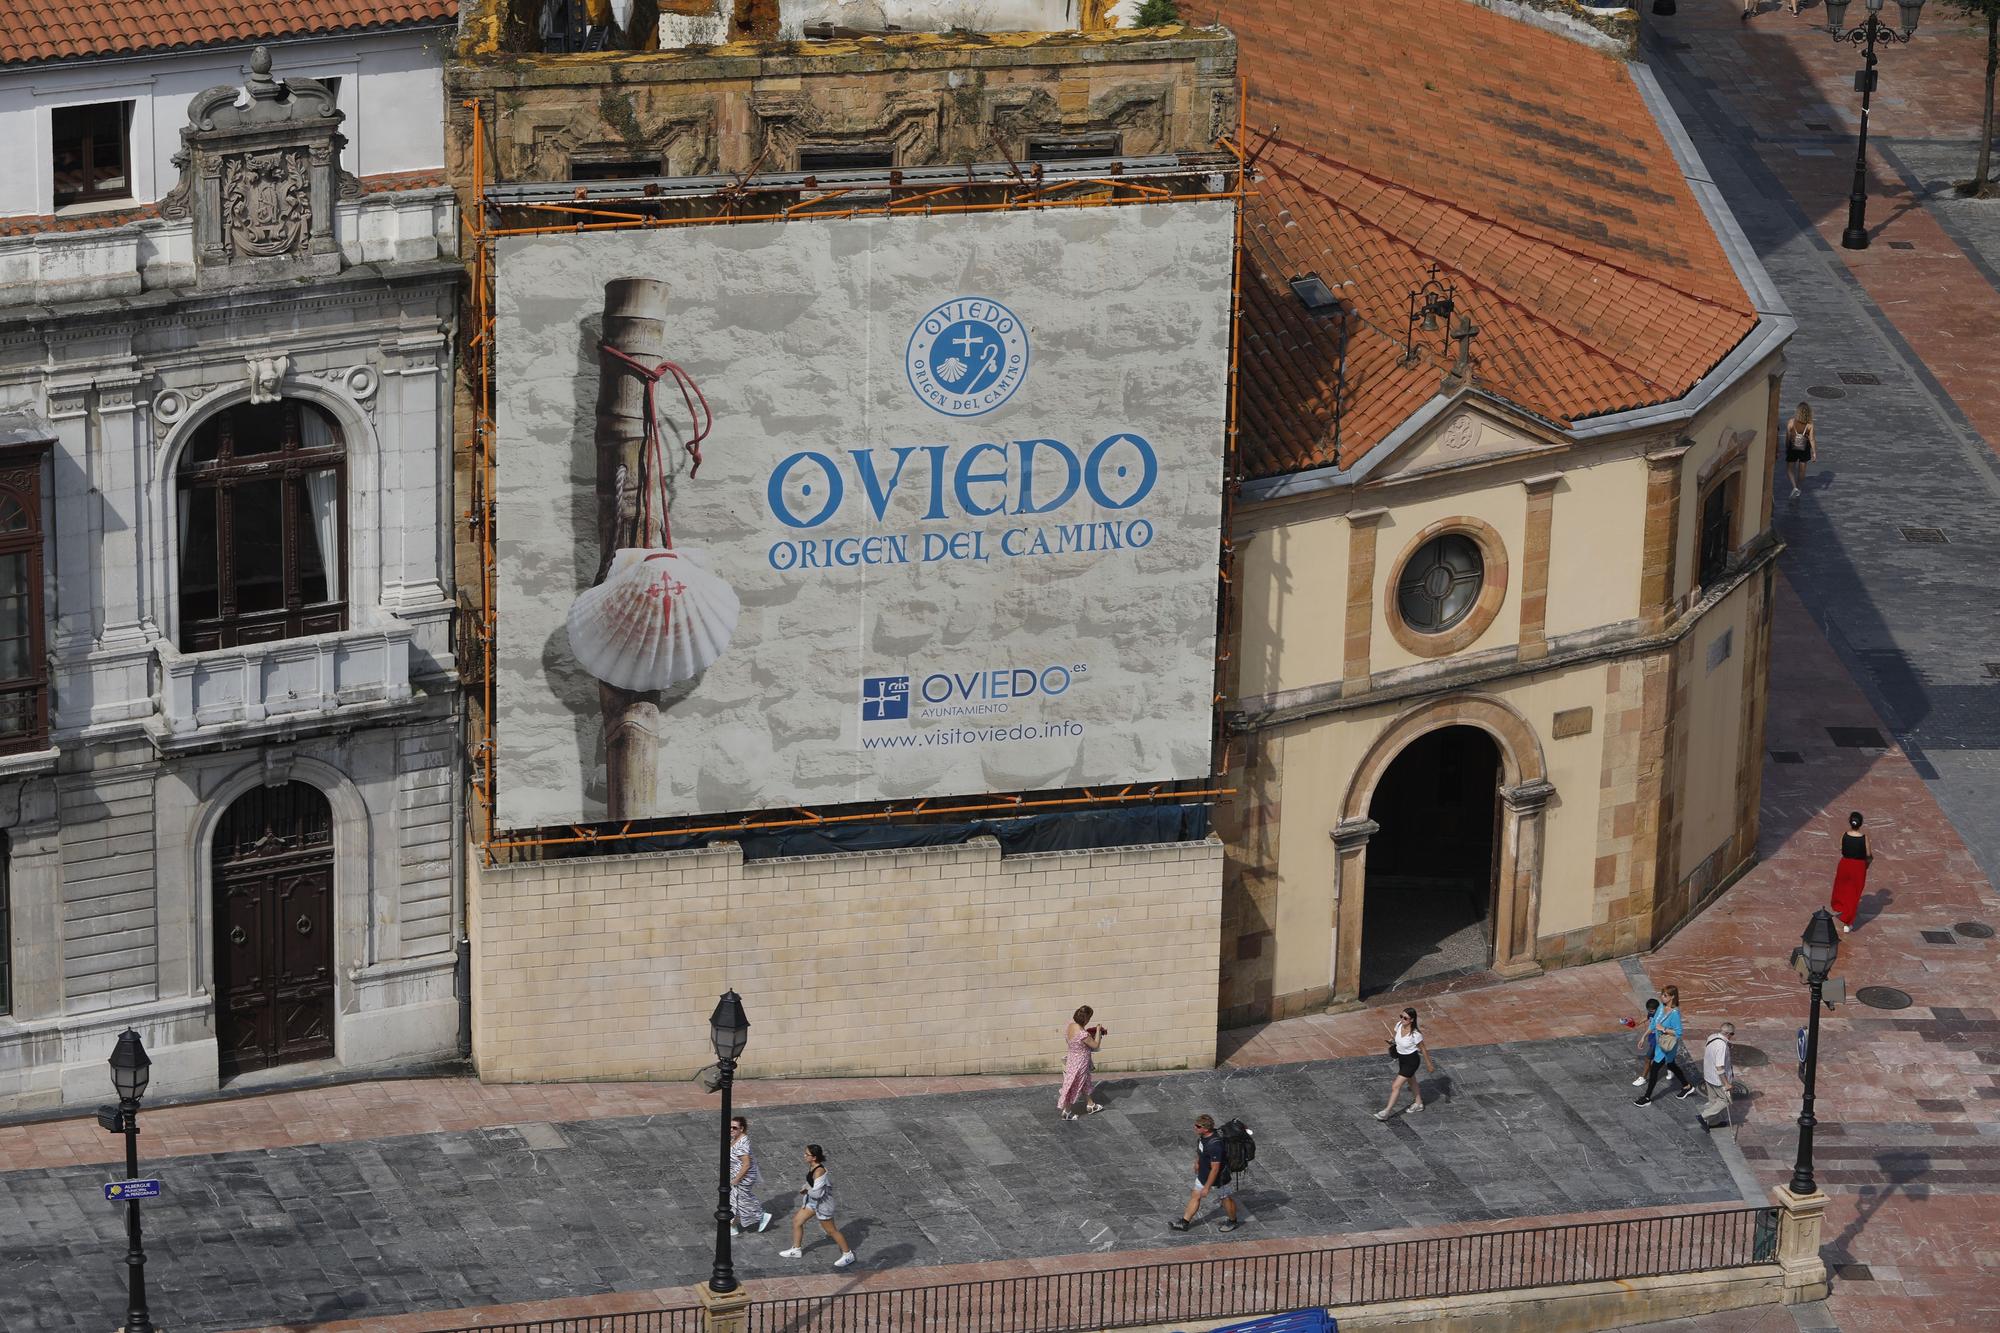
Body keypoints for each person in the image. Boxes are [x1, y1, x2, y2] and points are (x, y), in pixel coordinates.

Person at [780, 1144, 855, 1268]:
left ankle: (848, 1254)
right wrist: (806, 1187)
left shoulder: (819, 1171)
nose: (804, 1156)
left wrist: (807, 1190)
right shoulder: (812, 1166)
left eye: (807, 1154)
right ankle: (796, 1250)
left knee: (831, 1231)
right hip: (812, 1203)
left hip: (822, 1205)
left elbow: (817, 1194)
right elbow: (812, 1183)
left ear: (814, 1157)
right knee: (797, 1221)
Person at [1169, 1114, 1239, 1233]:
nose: (1195, 1127)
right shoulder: (1203, 1136)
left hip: (1219, 1178)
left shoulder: (1215, 1145)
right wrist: (1197, 1162)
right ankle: (1185, 1222)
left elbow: (1215, 1169)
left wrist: (1207, 1187)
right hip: (1203, 1174)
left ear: (1206, 1129)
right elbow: (1201, 1150)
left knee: (1225, 1198)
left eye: (1198, 1126)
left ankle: (1233, 1221)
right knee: (1195, 1195)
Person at [1635, 985, 1697, 1105]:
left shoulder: (1674, 1013)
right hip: (1660, 1045)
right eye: (1662, 995)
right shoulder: (1660, 1007)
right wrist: (1644, 1037)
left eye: (1665, 995)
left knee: (1654, 1070)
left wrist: (1663, 1029)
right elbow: (1653, 1024)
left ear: (1672, 997)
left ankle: (1647, 1098)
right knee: (1672, 1065)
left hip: (1667, 1047)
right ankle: (1687, 1086)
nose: (1662, 997)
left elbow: (1678, 1032)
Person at [1375, 1006, 1438, 1119]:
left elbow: (1423, 1049)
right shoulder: (1399, 1025)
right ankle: (1418, 1103)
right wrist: (1392, 1041)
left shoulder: (1415, 1034)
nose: (1402, 1019)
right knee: (1411, 1081)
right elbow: (1395, 1036)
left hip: (1411, 1061)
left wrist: (1429, 1064)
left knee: (1395, 1086)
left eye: (1405, 1018)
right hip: (1402, 1059)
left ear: (1412, 1020)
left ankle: (1386, 1112)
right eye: (1401, 1016)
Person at [1057, 1005, 1107, 1121]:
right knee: (1075, 1085)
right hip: (1080, 1063)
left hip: (1072, 1059)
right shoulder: (1082, 1034)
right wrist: (1098, 1031)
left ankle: (1091, 1105)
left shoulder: (1070, 1025)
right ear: (1086, 1019)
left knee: (1084, 1082)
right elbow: (1095, 1045)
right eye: (1089, 1018)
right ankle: (1067, 1112)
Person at [726, 1116, 771, 1237]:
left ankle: (760, 1216)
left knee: (739, 1200)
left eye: (734, 1128)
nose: (731, 1129)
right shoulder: (736, 1138)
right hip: (738, 1174)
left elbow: (746, 1164)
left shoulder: (742, 1144)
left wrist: (737, 1179)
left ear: (741, 1128)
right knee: (738, 1199)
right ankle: (733, 1226)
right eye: (730, 1127)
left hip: (743, 1177)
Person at [1831, 811, 1872, 934]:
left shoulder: (1844, 835)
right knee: (1854, 894)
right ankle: (1847, 922)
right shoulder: (1864, 838)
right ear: (1861, 823)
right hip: (1858, 867)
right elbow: (1869, 855)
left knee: (1842, 889)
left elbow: (1841, 847)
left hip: (1844, 864)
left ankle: (1842, 908)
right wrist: (1866, 864)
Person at [1697, 1023, 1737, 1131]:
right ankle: (1703, 1116)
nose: (1732, 1036)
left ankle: (1713, 1122)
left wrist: (1728, 1044)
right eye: (1732, 1034)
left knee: (1713, 1101)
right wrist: (1726, 1084)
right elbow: (1719, 1067)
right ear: (1728, 1033)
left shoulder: (1712, 1037)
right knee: (1726, 1100)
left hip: (1708, 1075)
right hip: (1718, 1079)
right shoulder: (1722, 1046)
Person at [1783, 402, 1816, 499]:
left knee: (1790, 469)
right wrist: (1814, 452)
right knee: (1802, 471)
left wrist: (1786, 447)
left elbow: (1788, 437)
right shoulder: (1810, 425)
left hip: (1792, 448)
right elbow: (1812, 439)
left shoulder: (1791, 422)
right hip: (1804, 448)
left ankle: (1794, 487)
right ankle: (1798, 487)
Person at [1631, 997, 1661, 1087]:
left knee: (1648, 1058)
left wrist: (1643, 1037)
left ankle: (1643, 1078)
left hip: (1658, 1038)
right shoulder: (1652, 1012)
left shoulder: (1659, 1017)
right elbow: (1647, 1017)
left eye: (1652, 1011)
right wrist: (1638, 1023)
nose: (1650, 1012)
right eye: (1649, 1010)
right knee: (1659, 1056)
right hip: (1652, 1036)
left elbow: (1651, 1027)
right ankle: (1671, 1067)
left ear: (1657, 1009)